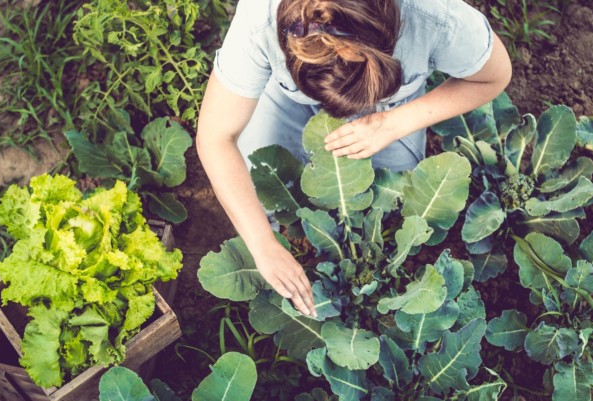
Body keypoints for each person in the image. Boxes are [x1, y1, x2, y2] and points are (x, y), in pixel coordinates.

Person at [196, 0, 512, 318]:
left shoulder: (434, 14)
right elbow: (215, 137)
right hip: (285, 98)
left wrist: (393, 123)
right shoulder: (260, 16)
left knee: (392, 204)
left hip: (390, 112)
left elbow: (495, 75)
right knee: (260, 195)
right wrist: (263, 244)